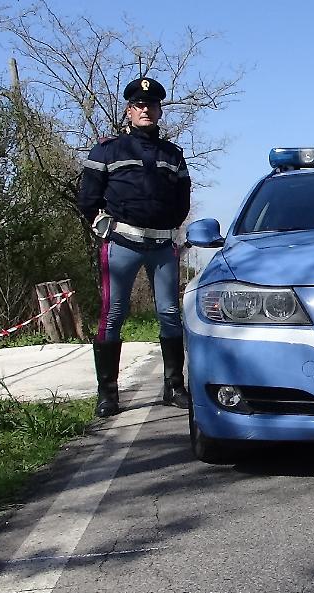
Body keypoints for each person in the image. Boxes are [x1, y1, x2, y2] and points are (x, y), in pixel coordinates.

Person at [77, 77, 192, 417]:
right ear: (129, 111)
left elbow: (182, 200)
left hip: (162, 246)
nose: (146, 110)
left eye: (152, 105)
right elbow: (88, 197)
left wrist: (171, 227)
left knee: (170, 314)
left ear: (159, 111)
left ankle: (174, 387)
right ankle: (107, 395)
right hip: (121, 244)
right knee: (113, 315)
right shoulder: (107, 150)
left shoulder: (173, 154)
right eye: (139, 105)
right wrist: (100, 224)